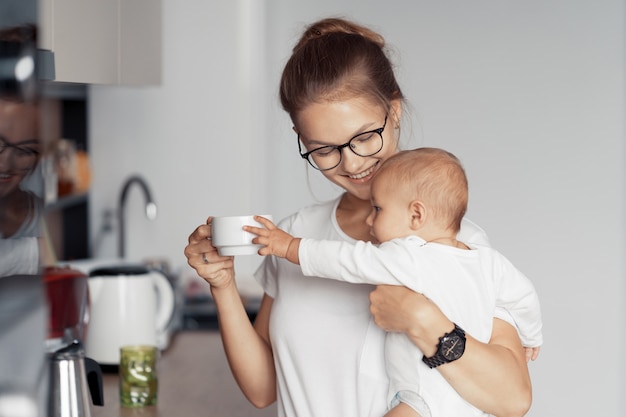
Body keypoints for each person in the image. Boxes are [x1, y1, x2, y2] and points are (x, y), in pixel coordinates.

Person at [185, 17, 533, 417]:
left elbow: (513, 398)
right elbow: (264, 389)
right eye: (324, 149)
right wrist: (223, 286)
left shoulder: (454, 245)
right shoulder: (298, 235)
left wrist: (422, 318)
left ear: (395, 111)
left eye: (365, 136)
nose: (352, 163)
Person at [245, 147, 542, 416]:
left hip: (422, 398)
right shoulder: (488, 260)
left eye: (378, 210)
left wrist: (289, 247)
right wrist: (532, 336)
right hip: (465, 402)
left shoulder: (407, 256)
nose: (369, 221)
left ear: (416, 214)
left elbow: (346, 260)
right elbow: (524, 295)